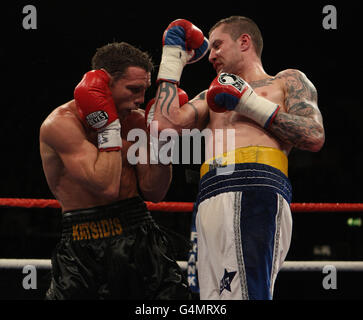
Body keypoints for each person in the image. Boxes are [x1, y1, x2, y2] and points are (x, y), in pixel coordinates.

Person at [149, 16, 325, 300]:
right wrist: (173, 58)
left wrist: (249, 102)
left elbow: (314, 136)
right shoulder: (210, 96)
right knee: (211, 299)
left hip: (255, 188)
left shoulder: (285, 81)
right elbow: (163, 128)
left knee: (246, 294)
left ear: (244, 41)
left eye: (218, 45)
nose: (212, 55)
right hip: (209, 196)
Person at [39, 42, 192, 299]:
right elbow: (106, 186)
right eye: (133, 90)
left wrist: (162, 142)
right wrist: (108, 126)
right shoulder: (62, 124)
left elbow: (155, 192)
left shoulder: (137, 121)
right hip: (83, 238)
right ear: (103, 84)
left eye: (144, 90)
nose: (141, 100)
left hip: (139, 232)